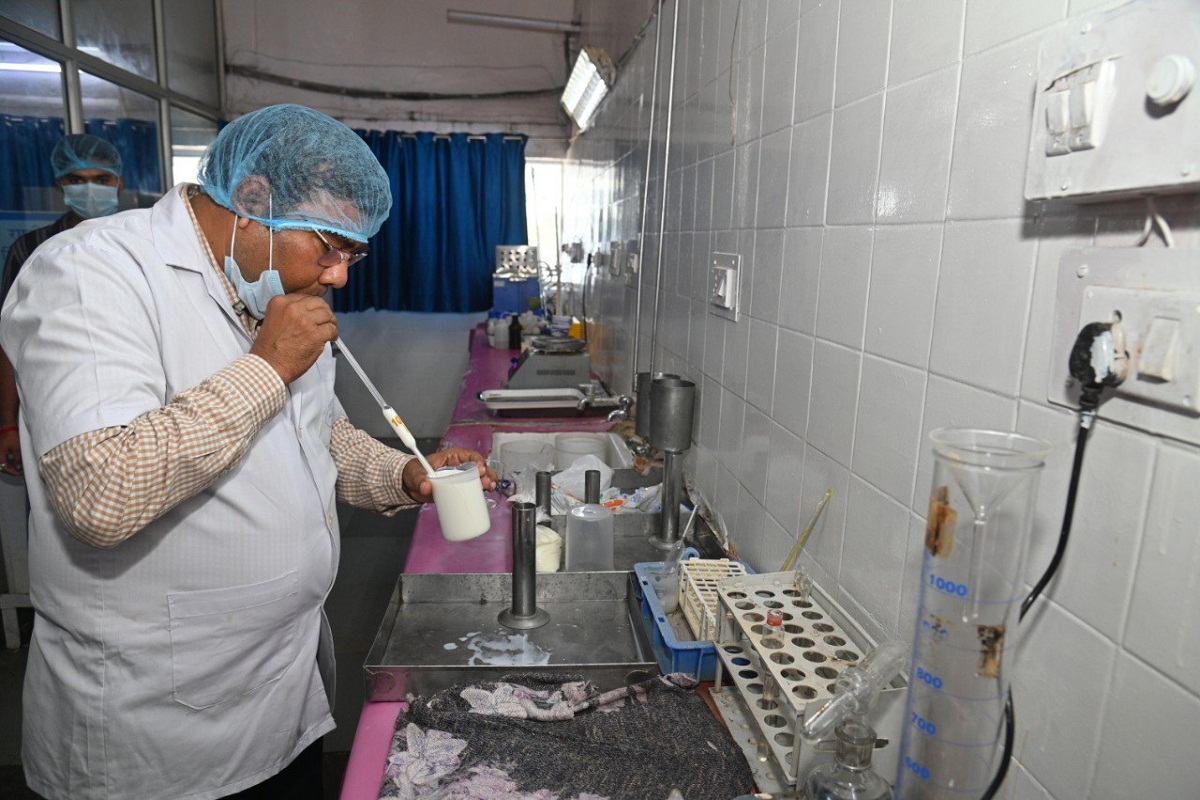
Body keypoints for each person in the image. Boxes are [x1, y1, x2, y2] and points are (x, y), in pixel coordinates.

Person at [0, 104, 494, 800]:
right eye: (329, 248)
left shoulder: (267, 286)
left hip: (283, 692)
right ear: (255, 201)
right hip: (156, 728)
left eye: (353, 256)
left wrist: (403, 473)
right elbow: (101, 495)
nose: (338, 277)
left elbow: (316, 432)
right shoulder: (92, 273)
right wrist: (267, 366)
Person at [0, 133, 125, 476]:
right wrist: (7, 424)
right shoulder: (31, 249)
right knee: (53, 489)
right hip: (50, 398)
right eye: (76, 180)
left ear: (119, 182)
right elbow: (9, 341)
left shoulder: (141, 242)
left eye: (101, 179)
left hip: (131, 389)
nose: (90, 189)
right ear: (60, 184)